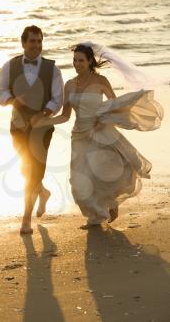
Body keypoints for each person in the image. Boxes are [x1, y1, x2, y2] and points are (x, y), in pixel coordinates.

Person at [31, 43, 163, 229]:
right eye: (75, 60)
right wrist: (43, 121)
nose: (77, 64)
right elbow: (65, 115)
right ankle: (98, 212)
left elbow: (115, 105)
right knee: (78, 181)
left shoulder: (101, 81)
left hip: (100, 132)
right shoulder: (69, 85)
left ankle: (102, 212)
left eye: (81, 60)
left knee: (106, 173)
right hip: (79, 136)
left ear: (90, 61)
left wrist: (105, 120)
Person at [0, 25, 64, 235]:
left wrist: (42, 114)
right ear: (23, 43)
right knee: (26, 169)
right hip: (17, 126)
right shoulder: (10, 65)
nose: (36, 45)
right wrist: (13, 100)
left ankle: (26, 219)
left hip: (42, 128)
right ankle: (42, 193)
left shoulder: (53, 69)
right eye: (32, 41)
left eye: (39, 41)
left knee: (34, 171)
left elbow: (57, 99)